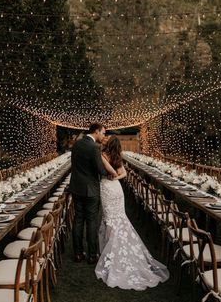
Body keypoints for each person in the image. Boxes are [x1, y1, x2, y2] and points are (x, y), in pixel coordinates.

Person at [95, 135, 169, 290]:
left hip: (108, 188)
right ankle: (110, 251)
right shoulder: (117, 156)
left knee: (110, 219)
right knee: (117, 219)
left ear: (110, 144)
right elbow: (124, 174)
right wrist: (115, 177)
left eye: (107, 138)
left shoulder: (103, 155)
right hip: (116, 188)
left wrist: (111, 174)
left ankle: (110, 253)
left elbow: (113, 172)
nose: (105, 138)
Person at [69, 123, 117, 264]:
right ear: (96, 131)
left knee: (78, 220)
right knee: (91, 221)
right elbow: (100, 170)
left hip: (76, 187)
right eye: (103, 133)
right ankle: (92, 255)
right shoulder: (94, 148)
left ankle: (78, 254)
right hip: (91, 190)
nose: (103, 136)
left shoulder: (76, 145)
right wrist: (110, 170)